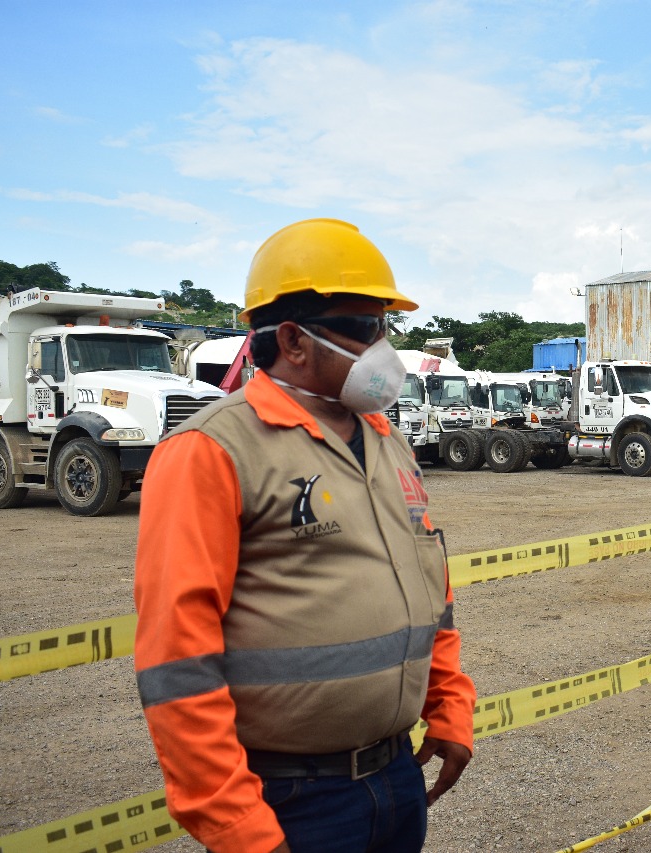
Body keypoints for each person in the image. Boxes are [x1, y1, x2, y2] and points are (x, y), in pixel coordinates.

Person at [134, 218, 476, 853]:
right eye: (367, 327)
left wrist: (449, 706)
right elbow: (176, 661)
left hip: (396, 780)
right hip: (291, 802)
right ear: (292, 340)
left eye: (385, 326)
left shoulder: (384, 437)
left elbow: (433, 592)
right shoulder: (210, 451)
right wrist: (238, 827)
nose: (384, 347)